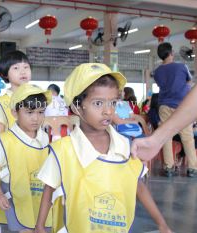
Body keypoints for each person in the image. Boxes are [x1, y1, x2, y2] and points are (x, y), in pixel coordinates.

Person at [35, 63, 171, 233]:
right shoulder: (64, 150)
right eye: (98, 103)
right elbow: (49, 188)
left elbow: (137, 185)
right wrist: (40, 226)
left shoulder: (124, 144)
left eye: (113, 102)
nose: (108, 111)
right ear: (77, 106)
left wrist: (161, 223)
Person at [0, 84, 52, 233]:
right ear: (15, 113)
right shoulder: (6, 141)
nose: (36, 118)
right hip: (16, 198)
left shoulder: (44, 139)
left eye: (41, 112)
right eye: (29, 112)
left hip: (39, 197)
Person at [0, 50, 32, 233]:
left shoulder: (35, 98)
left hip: (31, 161)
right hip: (9, 162)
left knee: (26, 203)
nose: (23, 71)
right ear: (5, 74)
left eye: (26, 67)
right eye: (16, 68)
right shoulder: (3, 102)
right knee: (5, 197)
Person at [153, 42, 197, 177]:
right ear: (171, 53)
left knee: (167, 136)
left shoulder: (157, 71)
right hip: (181, 106)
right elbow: (189, 82)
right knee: (187, 137)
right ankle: (192, 168)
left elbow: (162, 85)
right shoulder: (181, 67)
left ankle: (169, 168)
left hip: (164, 105)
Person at [131, 84, 197, 163]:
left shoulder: (157, 111)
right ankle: (186, 164)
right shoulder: (159, 111)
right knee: (189, 139)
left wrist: (156, 139)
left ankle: (171, 165)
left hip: (168, 135)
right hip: (172, 135)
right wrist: (156, 139)